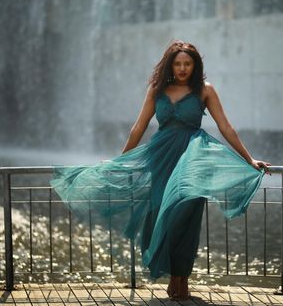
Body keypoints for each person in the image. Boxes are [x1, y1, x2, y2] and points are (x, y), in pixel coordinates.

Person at [50, 40, 271, 300]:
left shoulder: (205, 90)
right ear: (170, 64)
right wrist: (120, 161)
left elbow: (226, 127)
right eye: (177, 63)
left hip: (192, 160)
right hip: (160, 158)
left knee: (185, 218)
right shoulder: (156, 89)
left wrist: (249, 158)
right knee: (159, 215)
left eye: (187, 63)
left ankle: (182, 278)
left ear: (195, 65)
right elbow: (139, 126)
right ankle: (172, 275)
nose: (182, 68)